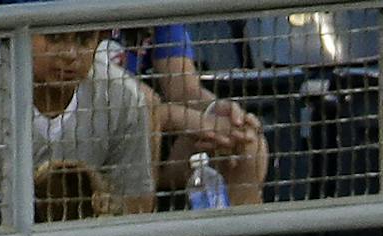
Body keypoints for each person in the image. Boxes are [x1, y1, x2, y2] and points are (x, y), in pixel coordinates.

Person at [0, 30, 155, 225]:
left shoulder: (122, 96)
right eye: (54, 38)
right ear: (22, 34)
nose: (70, 54)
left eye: (83, 39)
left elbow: (136, 205)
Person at [114, 23, 269, 208]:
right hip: (100, 137)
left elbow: (183, 89)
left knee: (248, 145)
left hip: (157, 136)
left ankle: (231, 234)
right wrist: (201, 122)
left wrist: (218, 112)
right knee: (147, 109)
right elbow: (139, 103)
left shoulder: (158, 10)